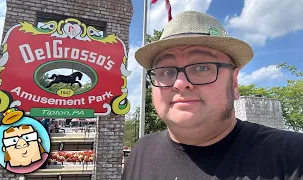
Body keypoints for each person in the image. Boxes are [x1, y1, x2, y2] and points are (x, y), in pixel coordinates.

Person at [122, 11, 303, 180]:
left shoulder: (292, 158)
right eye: (167, 71)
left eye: (202, 67)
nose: (179, 83)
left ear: (233, 82)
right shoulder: (141, 152)